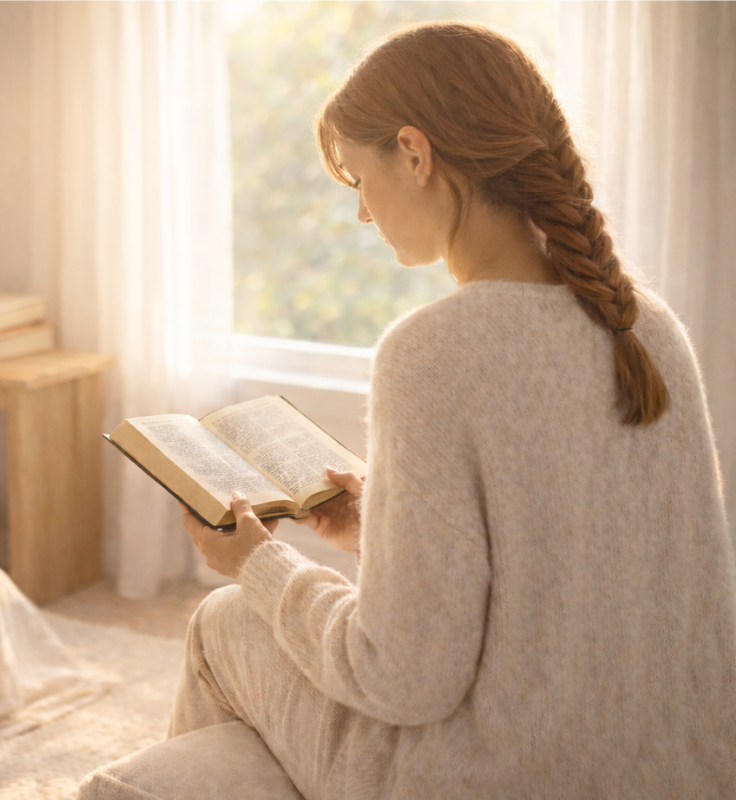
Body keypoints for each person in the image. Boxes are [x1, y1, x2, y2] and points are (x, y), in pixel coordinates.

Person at [79, 21, 735, 800]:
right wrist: (379, 530)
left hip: (494, 779)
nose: (363, 214)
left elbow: (403, 678)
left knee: (225, 618)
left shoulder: (430, 353)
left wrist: (255, 561)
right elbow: (581, 577)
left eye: (360, 180)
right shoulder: (648, 326)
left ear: (415, 154)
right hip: (683, 769)